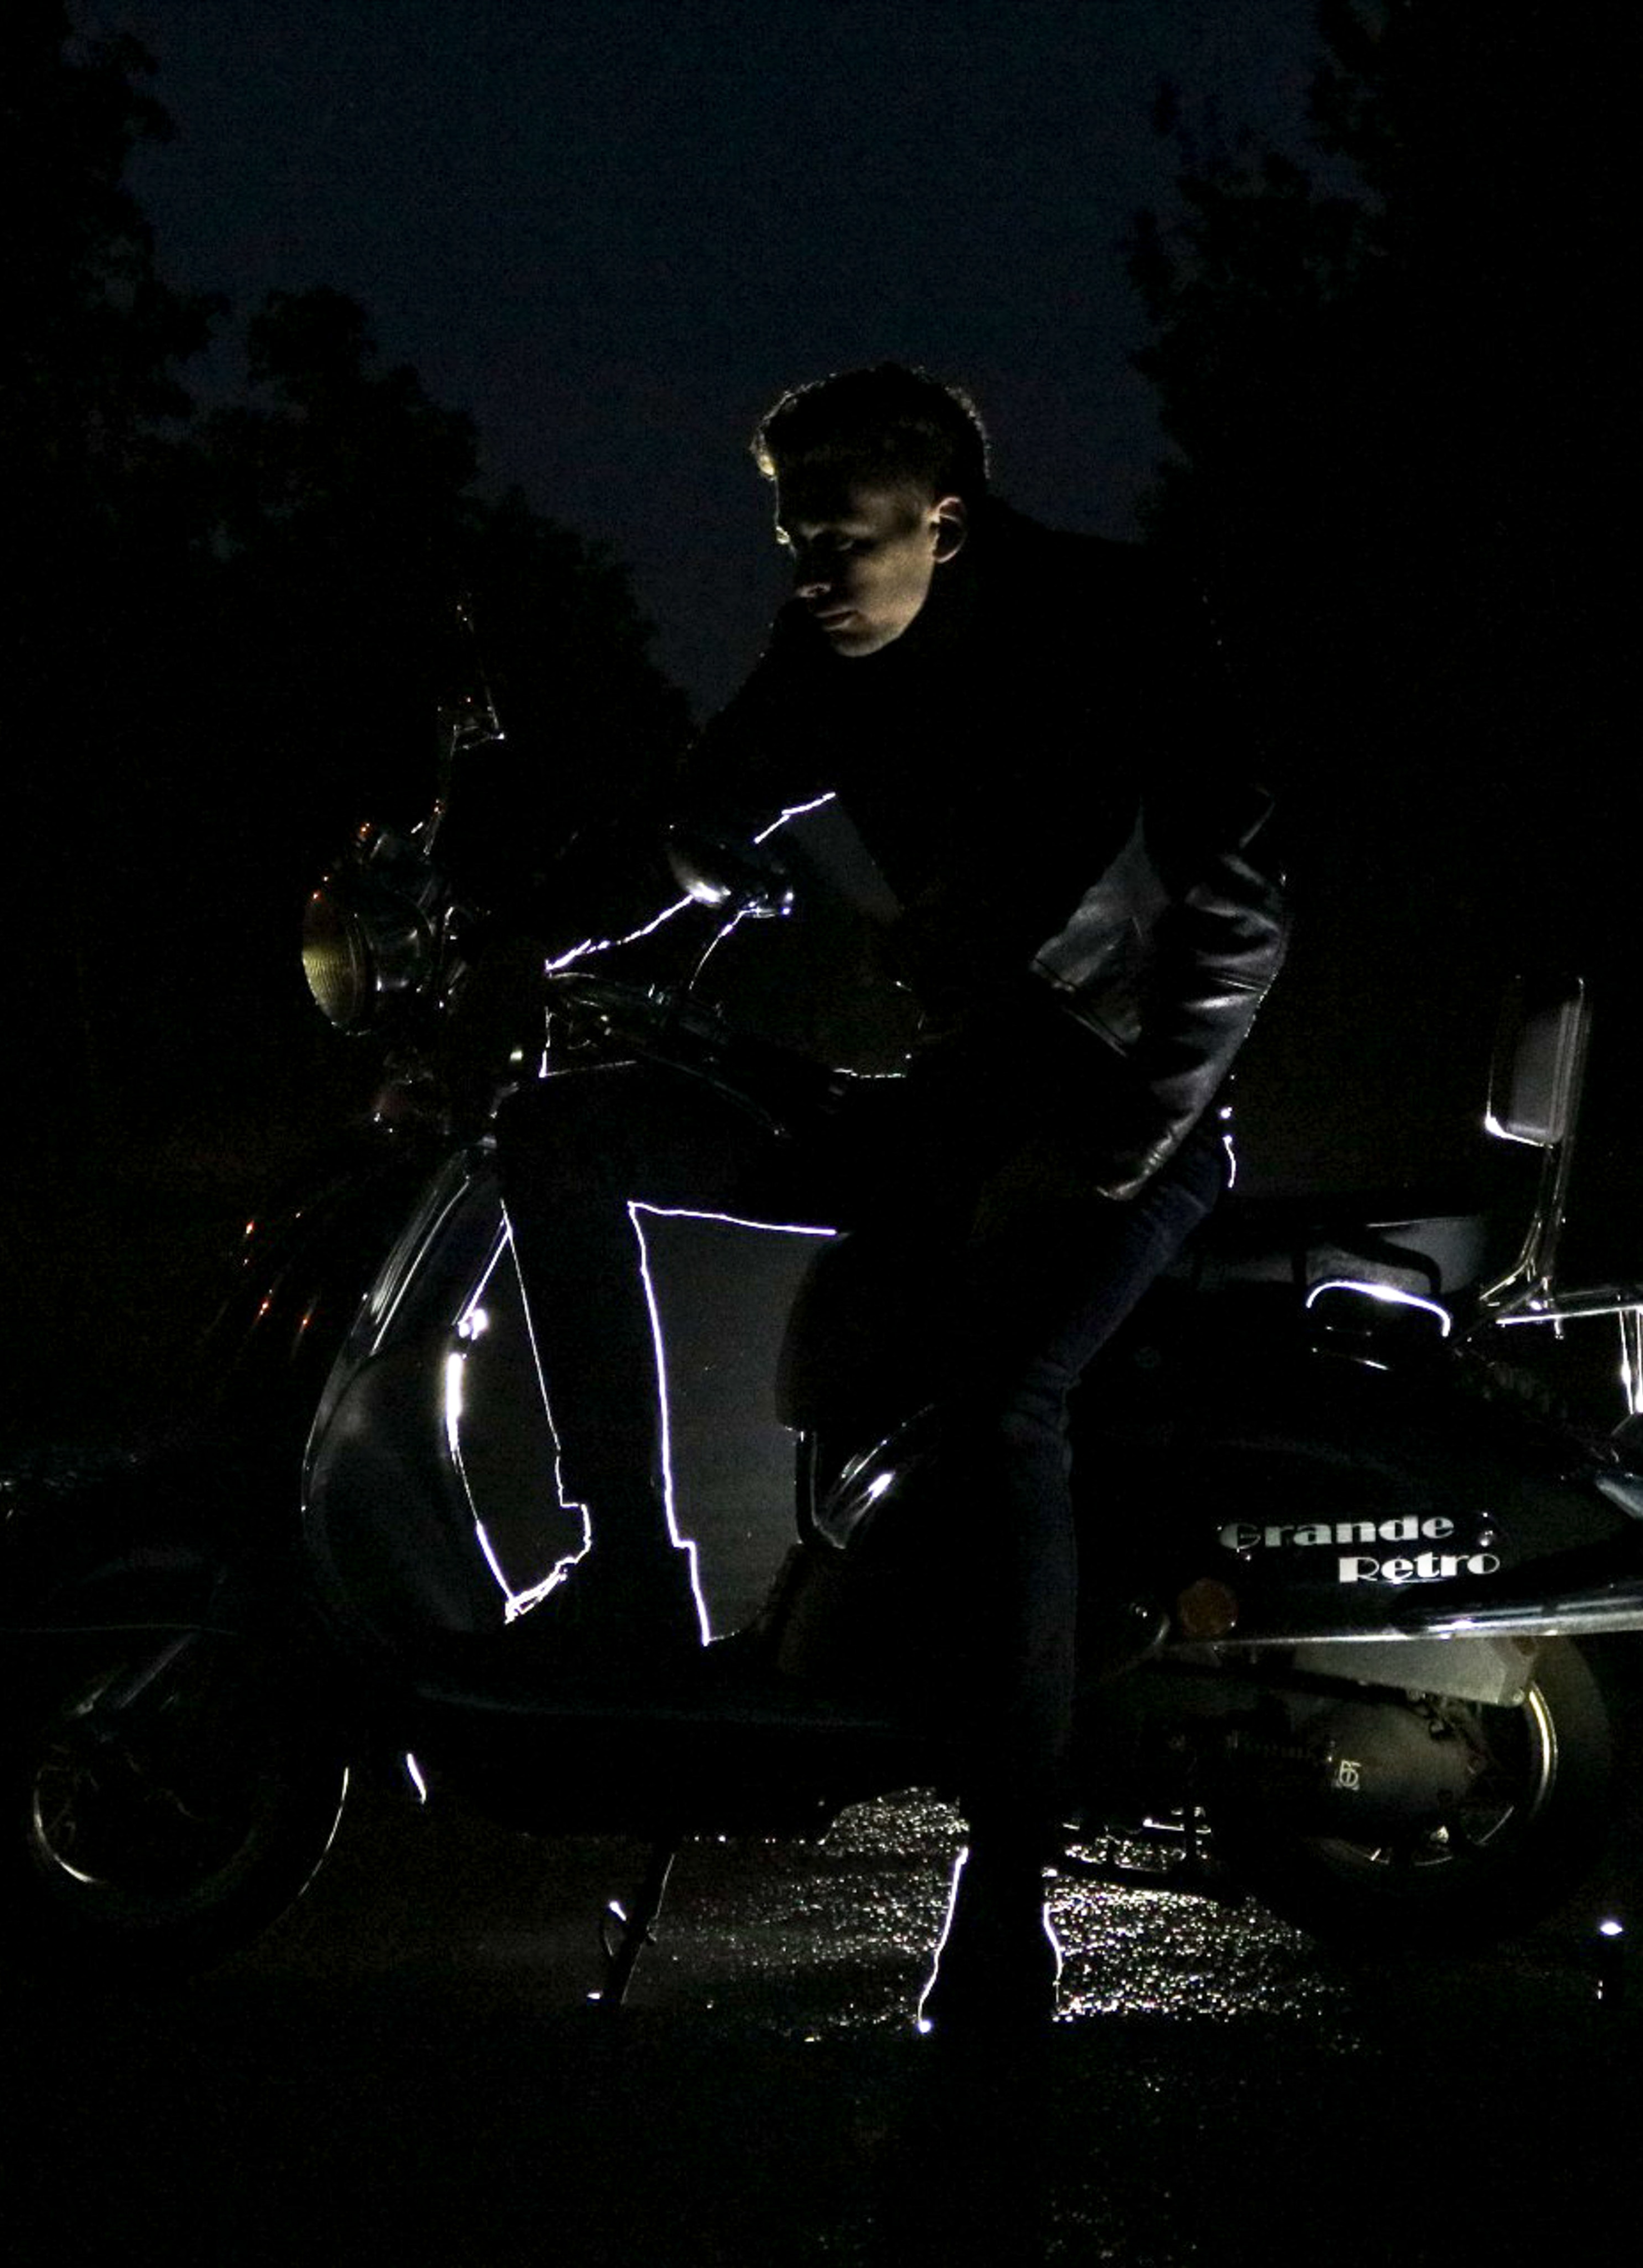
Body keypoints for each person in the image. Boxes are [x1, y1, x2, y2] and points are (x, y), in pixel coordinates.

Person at [492, 363, 1289, 2035]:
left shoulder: (1117, 620)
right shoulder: (828, 652)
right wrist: (514, 946)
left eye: (840, 539)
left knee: (999, 1411)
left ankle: (1006, 1897)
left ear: (946, 521)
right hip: (954, 1099)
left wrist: (1113, 1147)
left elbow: (1238, 904)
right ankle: (632, 1569)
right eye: (792, 541)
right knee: (567, 1141)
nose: (810, 574)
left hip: (1120, 1113)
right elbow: (696, 813)